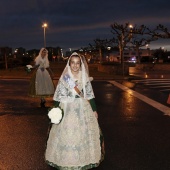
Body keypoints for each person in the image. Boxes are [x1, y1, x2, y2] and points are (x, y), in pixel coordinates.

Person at [45, 52, 104, 169]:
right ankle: (64, 159)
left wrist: (94, 110)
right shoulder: (65, 77)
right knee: (66, 133)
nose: (75, 65)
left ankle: (84, 158)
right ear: (69, 63)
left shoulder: (84, 76)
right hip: (66, 107)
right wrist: (55, 110)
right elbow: (59, 96)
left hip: (82, 107)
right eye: (73, 63)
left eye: (78, 63)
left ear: (80, 64)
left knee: (83, 133)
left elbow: (89, 95)